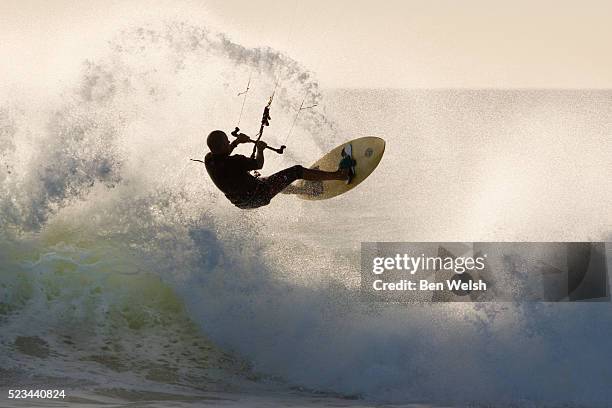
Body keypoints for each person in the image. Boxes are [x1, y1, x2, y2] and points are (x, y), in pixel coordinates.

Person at [203, 130, 351, 209]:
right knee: (296, 171)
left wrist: (236, 142)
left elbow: (222, 153)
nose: (229, 142)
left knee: (271, 182)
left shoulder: (209, 160)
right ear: (222, 145)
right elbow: (258, 164)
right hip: (259, 195)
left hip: (242, 203)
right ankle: (340, 175)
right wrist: (260, 149)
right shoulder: (235, 161)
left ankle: (306, 190)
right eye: (227, 141)